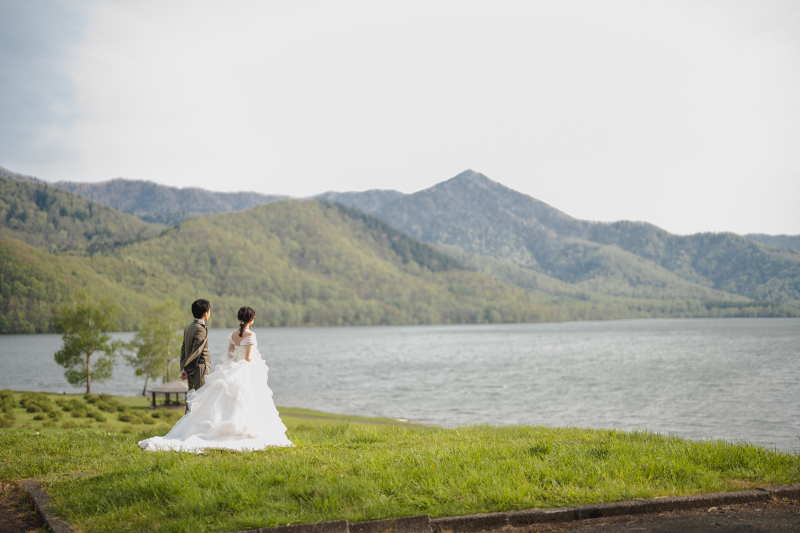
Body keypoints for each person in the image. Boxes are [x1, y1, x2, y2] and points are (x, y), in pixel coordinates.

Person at [139, 306, 293, 452]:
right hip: (245, 370)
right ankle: (242, 431)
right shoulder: (251, 335)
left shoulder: (233, 334)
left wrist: (233, 365)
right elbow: (248, 359)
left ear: (239, 318)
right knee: (246, 401)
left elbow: (230, 355)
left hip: (232, 367)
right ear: (251, 319)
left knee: (225, 400)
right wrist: (257, 357)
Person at [180, 299, 211, 396]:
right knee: (200, 399)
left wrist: (183, 368)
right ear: (205, 313)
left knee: (192, 399)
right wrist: (187, 369)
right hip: (199, 369)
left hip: (190, 370)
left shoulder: (189, 327)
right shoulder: (200, 329)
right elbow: (196, 351)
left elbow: (183, 350)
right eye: (209, 311)